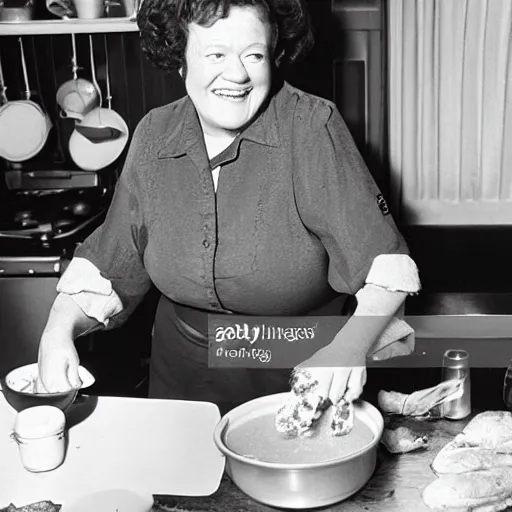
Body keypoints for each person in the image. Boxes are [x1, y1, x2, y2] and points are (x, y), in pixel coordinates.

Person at [37, 0, 421, 415]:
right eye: (215, 54)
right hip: (181, 379)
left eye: (253, 55)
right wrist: (56, 332)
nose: (237, 74)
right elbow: (112, 261)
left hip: (299, 375)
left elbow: (384, 267)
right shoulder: (153, 135)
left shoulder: (312, 127)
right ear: (179, 58)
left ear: (273, 56)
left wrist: (348, 349)